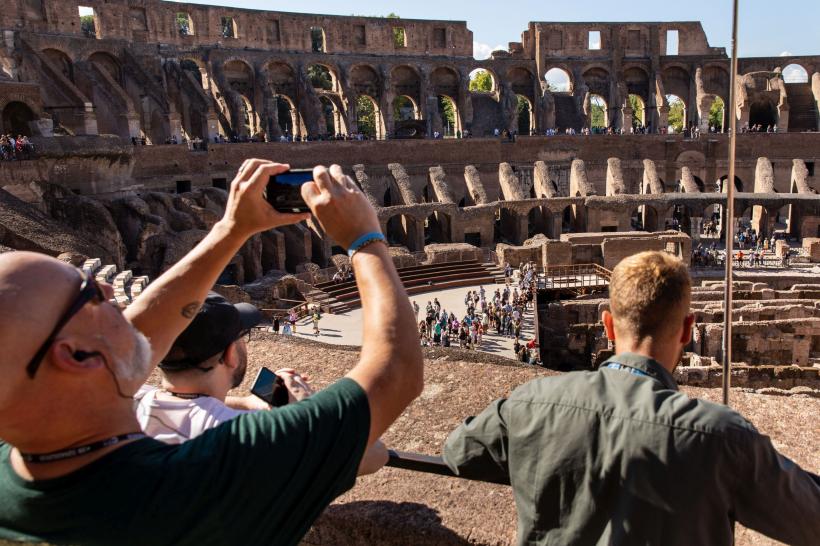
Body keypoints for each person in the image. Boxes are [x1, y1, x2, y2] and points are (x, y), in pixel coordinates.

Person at [0, 161, 424, 545]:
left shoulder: (15, 465)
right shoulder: (204, 479)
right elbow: (397, 373)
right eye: (89, 292)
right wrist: (364, 239)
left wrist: (233, 228)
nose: (110, 289)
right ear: (76, 357)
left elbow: (141, 331)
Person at [442, 251, 819, 545]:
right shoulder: (724, 439)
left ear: (607, 325)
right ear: (687, 330)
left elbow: (458, 451)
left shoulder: (530, 403)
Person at [135, 293, 386, 474]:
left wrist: (249, 404)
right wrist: (307, 411)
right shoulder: (248, 440)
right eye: (243, 336)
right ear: (230, 354)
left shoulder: (131, 403)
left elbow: (189, 405)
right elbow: (375, 454)